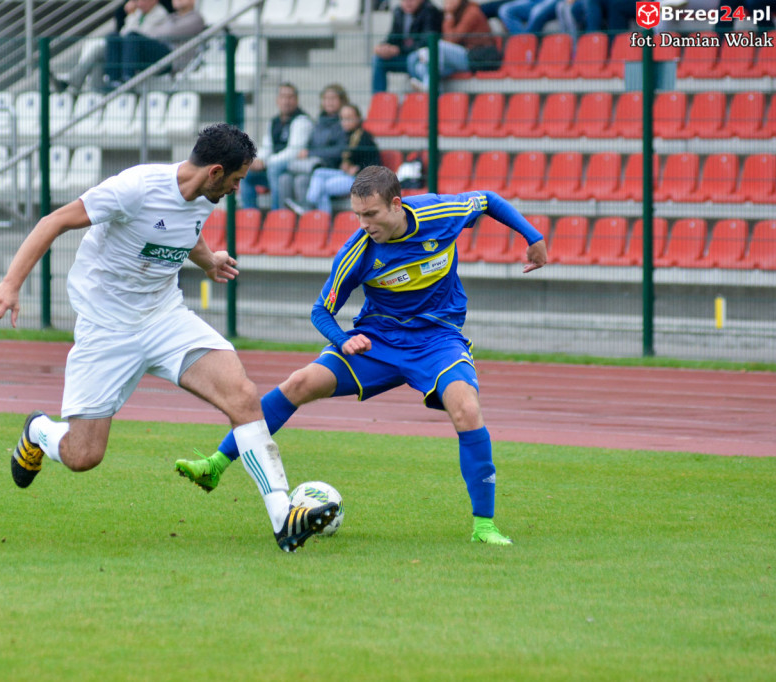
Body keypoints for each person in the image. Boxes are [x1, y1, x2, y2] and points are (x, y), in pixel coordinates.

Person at [0, 123, 338, 553]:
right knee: (83, 456)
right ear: (214, 172)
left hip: (165, 318)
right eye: (236, 179)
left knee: (242, 395)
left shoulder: (205, 197)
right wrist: (10, 284)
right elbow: (54, 221)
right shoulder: (135, 188)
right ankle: (39, 430)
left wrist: (208, 261)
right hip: (107, 328)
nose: (237, 188)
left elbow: (181, 233)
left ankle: (284, 518)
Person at [176, 166, 549, 546]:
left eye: (370, 214)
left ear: (396, 204)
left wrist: (532, 237)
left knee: (466, 410)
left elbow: (489, 200)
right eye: (357, 214)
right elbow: (321, 310)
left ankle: (484, 526)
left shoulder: (441, 213)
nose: (363, 223)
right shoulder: (358, 250)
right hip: (377, 341)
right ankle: (215, 465)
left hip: (437, 341)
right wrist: (342, 340)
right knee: (300, 383)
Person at [55, 0, 169, 94]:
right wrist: (132, 16)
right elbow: (123, 32)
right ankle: (77, 81)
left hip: (145, 55)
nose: (138, 3)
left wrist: (132, 16)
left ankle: (126, 78)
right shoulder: (137, 14)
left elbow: (137, 36)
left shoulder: (160, 14)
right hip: (128, 52)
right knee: (105, 44)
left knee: (129, 38)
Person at [287, 103, 381, 217]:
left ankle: (319, 216)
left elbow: (376, 164)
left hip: (359, 179)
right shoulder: (344, 135)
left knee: (323, 188)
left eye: (349, 118)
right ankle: (311, 206)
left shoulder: (364, 137)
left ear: (358, 118)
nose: (345, 122)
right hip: (344, 175)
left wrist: (358, 169)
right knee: (318, 172)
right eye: (343, 118)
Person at [238, 83, 313, 211]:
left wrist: (266, 162)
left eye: (290, 97)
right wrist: (259, 159)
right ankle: (250, 216)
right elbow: (267, 146)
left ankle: (276, 214)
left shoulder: (302, 121)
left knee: (274, 168)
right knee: (246, 172)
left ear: (296, 100)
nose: (286, 101)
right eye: (283, 97)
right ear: (277, 100)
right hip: (273, 167)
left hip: (293, 167)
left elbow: (293, 151)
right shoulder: (273, 122)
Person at [281, 83, 350, 207]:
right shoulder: (318, 122)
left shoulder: (344, 123)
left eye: (333, 99)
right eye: (326, 99)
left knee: (301, 181)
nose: (329, 102)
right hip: (312, 165)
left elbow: (340, 150)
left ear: (342, 101)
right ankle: (283, 219)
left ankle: (308, 216)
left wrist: (311, 153)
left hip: (330, 168)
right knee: (284, 179)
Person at [406, 0, 497, 90]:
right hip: (461, 56)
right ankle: (435, 97)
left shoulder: (471, 12)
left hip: (476, 57)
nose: (448, 2)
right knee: (421, 67)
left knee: (438, 47)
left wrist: (448, 15)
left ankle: (429, 86)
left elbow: (451, 39)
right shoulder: (456, 13)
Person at [110, 0, 205, 83]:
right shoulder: (171, 17)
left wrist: (149, 33)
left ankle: (128, 78)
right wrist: (133, 15)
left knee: (133, 37)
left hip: (173, 60)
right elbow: (150, 32)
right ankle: (113, 80)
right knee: (114, 37)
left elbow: (168, 32)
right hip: (160, 55)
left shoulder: (196, 18)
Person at [372, 0, 443, 93]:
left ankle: (422, 96)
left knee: (413, 60)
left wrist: (399, 50)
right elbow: (393, 38)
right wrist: (383, 47)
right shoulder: (399, 12)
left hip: (421, 60)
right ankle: (379, 101)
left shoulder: (430, 11)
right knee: (378, 59)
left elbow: (427, 42)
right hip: (404, 58)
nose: (408, 2)